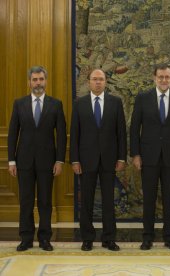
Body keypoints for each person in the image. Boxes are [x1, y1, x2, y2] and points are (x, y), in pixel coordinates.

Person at [130, 64, 170, 251]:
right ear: (154, 78)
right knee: (149, 198)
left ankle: (169, 237)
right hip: (148, 157)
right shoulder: (142, 98)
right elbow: (134, 129)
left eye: (167, 77)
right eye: (160, 77)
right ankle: (147, 237)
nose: (164, 80)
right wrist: (136, 154)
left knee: (169, 198)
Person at [8, 66, 67, 252]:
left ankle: (44, 238)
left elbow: (62, 136)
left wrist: (59, 160)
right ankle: (25, 238)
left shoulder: (56, 104)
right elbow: (12, 134)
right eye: (34, 79)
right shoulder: (19, 104)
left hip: (47, 162)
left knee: (45, 201)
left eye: (41, 79)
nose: (38, 83)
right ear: (29, 82)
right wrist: (11, 160)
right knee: (26, 201)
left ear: (46, 81)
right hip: (23, 162)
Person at [70, 69, 127, 252]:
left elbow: (121, 133)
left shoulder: (115, 103)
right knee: (86, 200)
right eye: (94, 79)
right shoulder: (79, 104)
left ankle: (109, 238)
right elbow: (75, 135)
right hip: (86, 161)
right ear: (88, 82)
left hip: (109, 160)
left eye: (101, 79)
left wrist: (121, 157)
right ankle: (87, 238)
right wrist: (74, 160)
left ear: (105, 82)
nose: (97, 82)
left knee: (109, 201)